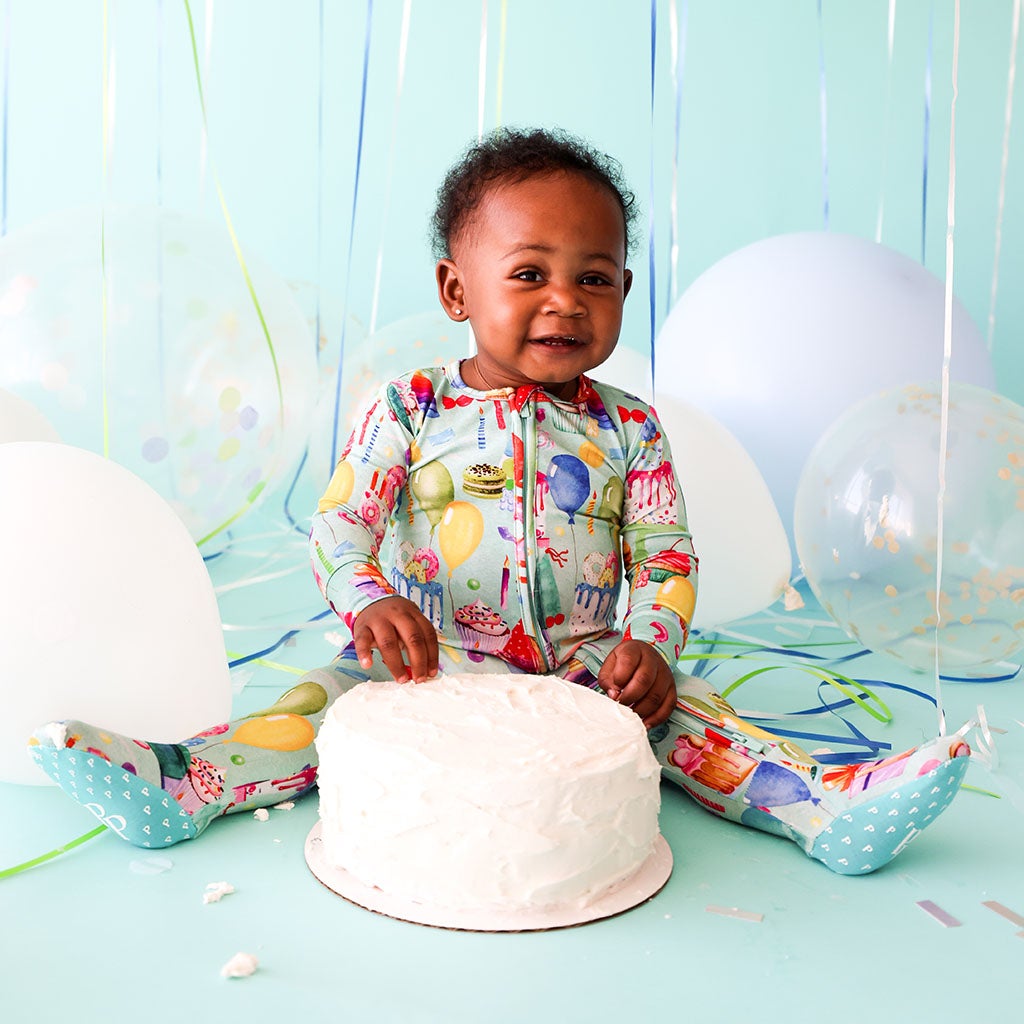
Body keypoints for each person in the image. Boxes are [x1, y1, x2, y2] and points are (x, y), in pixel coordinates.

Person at [29, 127, 970, 873]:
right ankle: (185, 783)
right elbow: (340, 526)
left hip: (589, 668)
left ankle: (828, 805)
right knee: (310, 709)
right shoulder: (408, 408)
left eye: (593, 278)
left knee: (702, 721)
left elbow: (667, 555)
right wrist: (371, 603)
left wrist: (654, 646)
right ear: (456, 288)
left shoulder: (631, 428)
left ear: (624, 292)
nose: (564, 300)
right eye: (528, 274)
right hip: (427, 661)